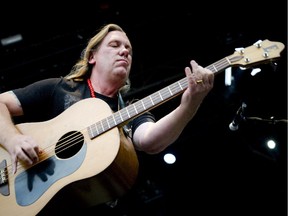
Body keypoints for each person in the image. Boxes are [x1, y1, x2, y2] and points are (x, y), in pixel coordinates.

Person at [0, 23, 214, 214]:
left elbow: (150, 140)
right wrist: (12, 140)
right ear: (92, 56)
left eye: (128, 49)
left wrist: (190, 104)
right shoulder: (61, 88)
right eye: (115, 45)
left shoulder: (131, 110)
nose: (124, 51)